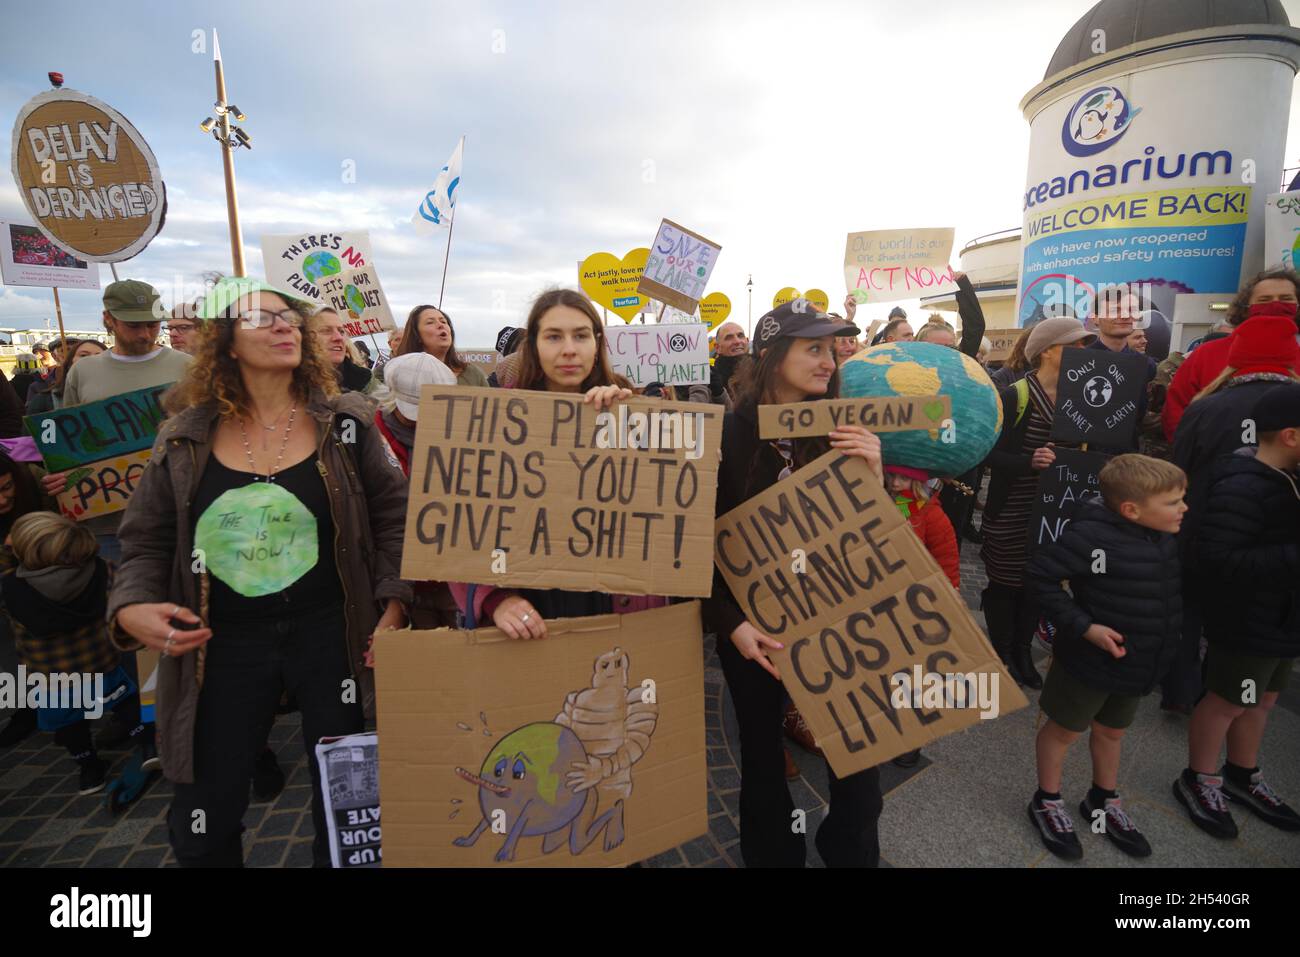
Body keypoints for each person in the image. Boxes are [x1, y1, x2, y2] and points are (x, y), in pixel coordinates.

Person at [107, 276, 412, 868]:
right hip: (219, 643)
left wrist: (393, 601)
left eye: (290, 319)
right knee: (204, 818)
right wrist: (130, 604)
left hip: (337, 635)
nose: (284, 326)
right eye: (261, 318)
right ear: (223, 342)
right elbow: (145, 540)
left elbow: (395, 517)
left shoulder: (345, 423)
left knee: (349, 812)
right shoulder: (184, 437)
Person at [704, 299, 887, 868]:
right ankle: (773, 856)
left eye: (832, 348)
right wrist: (731, 624)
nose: (829, 360)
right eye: (814, 347)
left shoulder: (842, 428)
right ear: (772, 355)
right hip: (752, 627)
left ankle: (848, 851)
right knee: (761, 756)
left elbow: (873, 537)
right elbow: (693, 545)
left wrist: (873, 474)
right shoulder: (722, 435)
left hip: (836, 615)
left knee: (858, 757)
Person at [449, 288, 659, 632]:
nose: (569, 349)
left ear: (597, 342)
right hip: (533, 603)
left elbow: (661, 513)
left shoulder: (629, 409)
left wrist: (631, 427)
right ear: (533, 345)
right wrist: (495, 599)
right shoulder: (496, 420)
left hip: (614, 601)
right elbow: (465, 522)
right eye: (553, 336)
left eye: (580, 335)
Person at [1026, 455, 1186, 859]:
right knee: (1064, 730)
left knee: (1113, 731)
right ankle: (1046, 800)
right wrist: (1085, 627)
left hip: (1136, 662)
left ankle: (1103, 798)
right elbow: (1040, 578)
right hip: (1088, 662)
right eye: (1174, 502)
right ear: (1132, 510)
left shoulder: (1163, 535)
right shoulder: (1091, 536)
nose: (1184, 508)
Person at [1176, 385, 1300, 838]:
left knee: (1263, 698)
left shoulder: (1286, 476)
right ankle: (1200, 777)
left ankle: (1242, 773)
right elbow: (1219, 560)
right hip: (1249, 620)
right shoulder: (1243, 484)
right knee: (1229, 699)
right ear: (1289, 435)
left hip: (1282, 620)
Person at [1164, 309, 1300, 713]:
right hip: (1271, 552)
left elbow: (1179, 463)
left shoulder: (1206, 406)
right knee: (1243, 639)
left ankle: (1183, 695)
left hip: (1198, 528)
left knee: (1189, 617)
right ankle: (1231, 704)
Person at [1, 512, 156, 797]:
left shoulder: (10, 588)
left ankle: (89, 769)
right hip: (101, 664)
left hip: (51, 680)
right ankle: (148, 744)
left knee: (71, 724)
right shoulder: (101, 570)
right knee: (125, 703)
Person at [979, 318, 1097, 689]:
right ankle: (1001, 652)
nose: (1083, 353)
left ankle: (1022, 651)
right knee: (1004, 584)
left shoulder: (1084, 398)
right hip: (1011, 508)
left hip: (1055, 512)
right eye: (1074, 345)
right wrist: (1027, 462)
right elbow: (986, 454)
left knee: (1037, 582)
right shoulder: (1016, 395)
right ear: (1047, 350)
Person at [43, 280, 192, 567]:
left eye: (152, 324)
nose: (145, 333)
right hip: (108, 523)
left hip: (177, 514)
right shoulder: (82, 371)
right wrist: (59, 474)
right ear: (108, 319)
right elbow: (66, 441)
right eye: (134, 325)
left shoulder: (189, 367)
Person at [1163, 269, 1300, 440]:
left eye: (1286, 299)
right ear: (1245, 308)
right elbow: (1176, 414)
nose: (1276, 305)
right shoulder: (1206, 354)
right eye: (1264, 300)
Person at [0, 451, 58, 749]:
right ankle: (26, 709)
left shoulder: (31, 477)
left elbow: (59, 520)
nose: (2, 501)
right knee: (12, 647)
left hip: (41, 570)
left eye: (6, 488)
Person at [1087, 287, 1157, 451]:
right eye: (1114, 310)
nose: (1125, 315)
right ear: (1095, 318)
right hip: (1084, 457)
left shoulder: (1147, 365)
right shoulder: (1079, 360)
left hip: (1127, 456)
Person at [395, 304, 488, 387]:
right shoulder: (402, 374)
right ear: (416, 335)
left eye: (443, 321)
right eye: (430, 322)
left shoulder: (472, 373)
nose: (440, 325)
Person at [26, 339, 106, 415]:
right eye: (83, 355)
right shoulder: (42, 396)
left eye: (98, 354)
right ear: (54, 356)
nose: (90, 359)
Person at [309, 307, 376, 394]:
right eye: (326, 330)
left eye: (341, 331)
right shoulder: (292, 383)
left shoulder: (365, 380)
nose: (339, 337)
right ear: (307, 338)